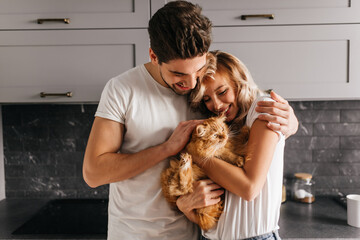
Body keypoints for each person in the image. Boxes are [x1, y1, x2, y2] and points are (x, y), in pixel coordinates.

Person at [82, 1, 298, 239]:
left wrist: (290, 125)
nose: (192, 84)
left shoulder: (208, 90)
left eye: (198, 70)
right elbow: (94, 173)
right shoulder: (122, 89)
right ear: (154, 56)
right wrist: (167, 148)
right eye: (178, 74)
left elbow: (246, 123)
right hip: (134, 233)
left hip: (196, 233)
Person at [177, 50, 287, 240]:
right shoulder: (221, 124)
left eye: (222, 92)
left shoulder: (263, 108)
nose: (217, 105)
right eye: (207, 99)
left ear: (239, 82)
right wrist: (185, 207)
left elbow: (249, 188)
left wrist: (195, 154)